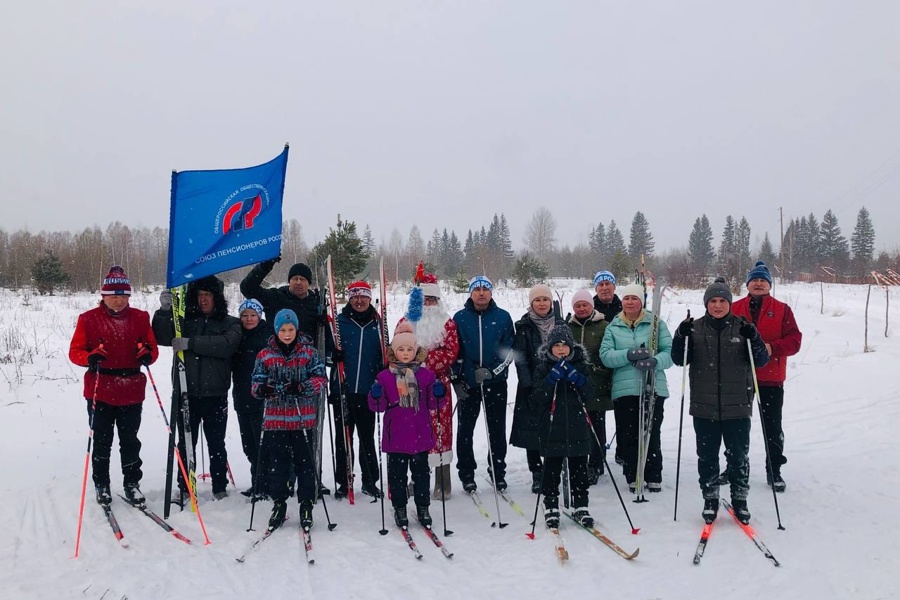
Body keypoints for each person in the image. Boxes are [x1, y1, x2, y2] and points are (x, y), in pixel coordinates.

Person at [671, 277, 769, 524]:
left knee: (738, 456)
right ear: (706, 303)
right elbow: (679, 359)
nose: (717, 305)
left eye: (722, 301)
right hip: (704, 406)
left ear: (729, 303)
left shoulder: (742, 327)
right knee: (707, 456)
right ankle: (710, 498)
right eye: (712, 301)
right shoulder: (695, 327)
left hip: (737, 405)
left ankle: (740, 499)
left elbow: (761, 361)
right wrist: (680, 335)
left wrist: (754, 337)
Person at [69, 266, 159, 506]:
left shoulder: (140, 317)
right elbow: (75, 351)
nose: (119, 301)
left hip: (131, 388)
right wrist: (89, 357)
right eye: (113, 296)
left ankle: (131, 483)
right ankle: (102, 484)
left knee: (130, 440)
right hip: (101, 388)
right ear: (103, 296)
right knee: (102, 440)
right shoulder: (88, 319)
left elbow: (152, 348)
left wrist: (146, 355)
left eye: (123, 296)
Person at [153, 275, 241, 501]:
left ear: (217, 298)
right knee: (186, 443)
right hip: (186, 392)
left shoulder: (229, 322)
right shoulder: (184, 320)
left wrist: (191, 343)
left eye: (208, 295)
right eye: (200, 295)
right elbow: (162, 336)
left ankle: (219, 486)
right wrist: (164, 312)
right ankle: (184, 485)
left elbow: (227, 345)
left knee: (216, 443)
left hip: (216, 394)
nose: (203, 300)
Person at [251, 309, 328, 531]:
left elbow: (320, 378)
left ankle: (306, 504)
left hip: (302, 419)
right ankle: (279, 503)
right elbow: (255, 382)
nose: (287, 334)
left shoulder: (308, 353)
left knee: (305, 464)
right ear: (276, 331)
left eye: (290, 329)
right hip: (275, 420)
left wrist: (303, 386)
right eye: (283, 330)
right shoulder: (265, 354)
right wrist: (262, 389)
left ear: (296, 329)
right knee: (278, 466)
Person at [731, 261, 802, 493]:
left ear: (769, 285)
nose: (758, 283)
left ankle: (774, 469)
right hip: (740, 377)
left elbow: (794, 341)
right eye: (754, 279)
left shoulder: (782, 309)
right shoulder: (735, 307)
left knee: (772, 426)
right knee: (736, 424)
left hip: (770, 378)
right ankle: (735, 466)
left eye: (763, 280)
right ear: (748, 284)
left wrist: (772, 348)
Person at [368, 325, 446, 529]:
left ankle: (423, 507)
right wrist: (375, 395)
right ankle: (400, 507)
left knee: (421, 475)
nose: (405, 354)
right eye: (400, 350)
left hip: (420, 434)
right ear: (394, 352)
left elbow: (434, 404)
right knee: (397, 476)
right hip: (396, 436)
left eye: (409, 350)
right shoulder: (385, 377)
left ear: (415, 351)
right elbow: (379, 406)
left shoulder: (426, 375)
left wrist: (439, 393)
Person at [599, 282, 673, 494]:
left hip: (652, 386)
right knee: (629, 433)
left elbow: (669, 352)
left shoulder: (655, 324)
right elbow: (606, 356)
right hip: (625, 389)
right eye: (626, 298)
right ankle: (633, 474)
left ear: (642, 302)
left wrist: (655, 361)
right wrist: (628, 355)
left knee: (651, 431)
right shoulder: (613, 326)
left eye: (634, 298)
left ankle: (653, 473)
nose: (630, 302)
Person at [398, 272, 459, 499]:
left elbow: (451, 352)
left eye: (432, 300)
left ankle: (443, 482)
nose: (428, 304)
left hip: (437, 384)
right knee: (412, 430)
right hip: (408, 382)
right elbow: (396, 349)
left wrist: (424, 360)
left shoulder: (447, 324)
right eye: (424, 300)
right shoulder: (405, 323)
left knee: (440, 431)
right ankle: (415, 479)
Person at [451, 275, 515, 493]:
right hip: (469, 384)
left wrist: (491, 371)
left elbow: (508, 351)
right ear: (470, 292)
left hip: (495, 383)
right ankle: (467, 474)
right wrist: (462, 377)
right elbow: (454, 352)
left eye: (485, 289)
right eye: (476, 289)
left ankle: (498, 471)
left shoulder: (503, 317)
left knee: (496, 430)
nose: (481, 293)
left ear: (491, 292)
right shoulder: (459, 318)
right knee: (465, 430)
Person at [531, 324, 595, 528]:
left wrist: (578, 379)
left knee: (579, 470)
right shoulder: (543, 368)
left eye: (564, 345)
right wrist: (550, 380)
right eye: (556, 345)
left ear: (571, 347)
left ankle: (581, 505)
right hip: (552, 429)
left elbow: (591, 393)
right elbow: (537, 398)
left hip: (577, 426)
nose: (560, 349)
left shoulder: (580, 365)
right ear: (549, 347)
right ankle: (550, 505)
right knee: (551, 470)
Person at [331, 280, 383, 499]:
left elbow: (386, 353)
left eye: (363, 296)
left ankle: (370, 481)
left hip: (368, 390)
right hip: (343, 388)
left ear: (370, 299)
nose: (359, 301)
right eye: (354, 297)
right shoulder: (339, 323)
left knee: (367, 438)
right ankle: (344, 481)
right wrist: (332, 356)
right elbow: (324, 351)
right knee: (344, 438)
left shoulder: (378, 324)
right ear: (349, 299)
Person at [510, 284, 564, 493]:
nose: (541, 303)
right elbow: (520, 359)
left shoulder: (561, 323)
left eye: (545, 300)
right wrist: (529, 385)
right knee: (532, 431)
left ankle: (554, 469)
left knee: (555, 429)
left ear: (551, 302)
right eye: (537, 300)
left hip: (557, 384)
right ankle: (536, 471)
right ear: (531, 303)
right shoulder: (524, 327)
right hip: (531, 385)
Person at [567, 289, 614, 485]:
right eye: (578, 305)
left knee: (596, 424)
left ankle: (596, 462)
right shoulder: (568, 327)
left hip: (597, 383)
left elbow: (609, 352)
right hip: (574, 383)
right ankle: (580, 461)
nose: (582, 308)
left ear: (591, 306)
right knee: (578, 425)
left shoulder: (604, 326)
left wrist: (603, 373)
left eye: (585, 304)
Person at [230, 298, 273, 499]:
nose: (248, 319)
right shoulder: (236, 334)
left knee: (262, 443)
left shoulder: (267, 336)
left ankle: (265, 484)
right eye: (245, 315)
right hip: (241, 396)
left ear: (259, 316)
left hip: (262, 399)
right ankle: (257, 481)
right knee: (248, 444)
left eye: (252, 315)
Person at [240, 257, 326, 345]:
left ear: (309, 283)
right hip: (277, 355)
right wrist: (265, 266)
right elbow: (247, 288)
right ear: (289, 281)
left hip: (307, 356)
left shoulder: (316, 303)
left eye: (302, 279)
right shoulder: (275, 297)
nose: (298, 282)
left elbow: (323, 336)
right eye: (295, 278)